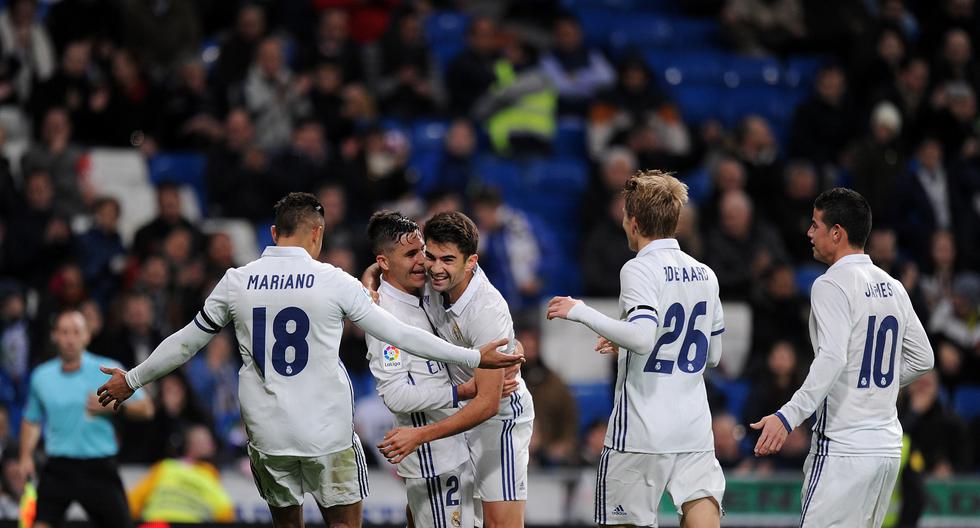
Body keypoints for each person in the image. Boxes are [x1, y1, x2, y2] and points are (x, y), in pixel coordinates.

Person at [96, 192, 522, 528]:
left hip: (268, 436)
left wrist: (131, 380)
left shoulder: (236, 281)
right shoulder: (332, 280)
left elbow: (186, 342)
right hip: (328, 434)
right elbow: (400, 332)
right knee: (343, 522)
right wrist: (471, 356)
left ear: (273, 231)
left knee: (287, 523)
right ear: (317, 234)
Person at [546, 170, 726, 527]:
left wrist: (580, 311)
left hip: (643, 429)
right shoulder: (705, 272)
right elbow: (713, 354)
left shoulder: (639, 268)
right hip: (693, 426)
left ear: (634, 221)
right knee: (700, 505)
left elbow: (643, 336)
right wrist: (627, 340)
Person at [750, 188, 935, 527]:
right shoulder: (892, 285)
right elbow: (923, 358)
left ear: (837, 233)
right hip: (887, 451)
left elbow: (832, 358)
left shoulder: (831, 284)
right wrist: (876, 382)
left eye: (815, 224)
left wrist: (787, 416)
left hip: (844, 449)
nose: (809, 233)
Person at [378, 211, 536, 528]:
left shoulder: (486, 310)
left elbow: (488, 403)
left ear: (471, 261)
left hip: (498, 421)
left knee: (499, 524)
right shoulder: (432, 280)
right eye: (431, 257)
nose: (436, 268)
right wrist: (370, 284)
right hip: (458, 415)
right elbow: (384, 264)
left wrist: (418, 436)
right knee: (426, 512)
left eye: (448, 260)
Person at [19, 310, 155, 528]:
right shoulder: (41, 376)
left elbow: (147, 409)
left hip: (98, 466)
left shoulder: (106, 370)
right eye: (64, 332)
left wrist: (116, 408)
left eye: (76, 332)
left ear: (87, 336)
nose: (70, 338)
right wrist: (25, 455)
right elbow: (32, 419)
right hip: (58, 466)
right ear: (54, 336)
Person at [128, 424, 234, 522]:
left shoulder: (166, 467)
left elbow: (132, 503)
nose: (209, 446)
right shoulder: (165, 467)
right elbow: (225, 514)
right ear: (189, 445)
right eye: (202, 442)